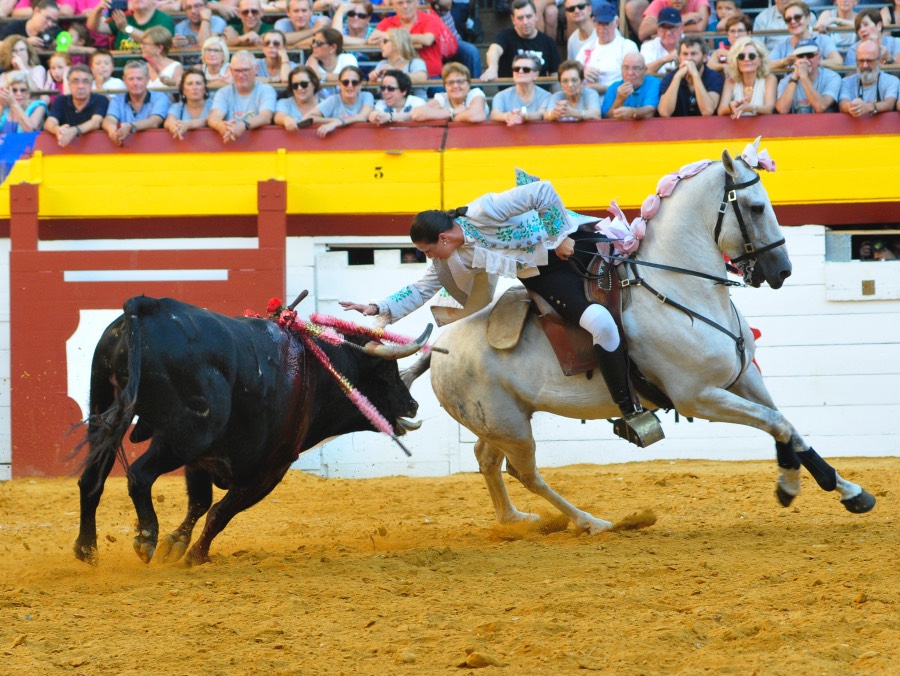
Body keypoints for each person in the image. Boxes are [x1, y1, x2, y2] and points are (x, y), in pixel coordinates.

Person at [340, 178, 664, 447]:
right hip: (547, 276)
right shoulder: (453, 256)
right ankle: (630, 409)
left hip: (575, 241)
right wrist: (379, 307)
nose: (429, 257)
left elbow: (542, 191)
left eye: (428, 250)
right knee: (601, 323)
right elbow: (422, 288)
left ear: (443, 238)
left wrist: (560, 236)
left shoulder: (485, 210)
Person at [368, 0, 453, 80]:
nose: (405, 6)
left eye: (409, 2)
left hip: (430, 78)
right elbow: (372, 40)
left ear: (417, 3)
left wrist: (393, 36)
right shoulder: (387, 22)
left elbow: (428, 39)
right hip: (395, 79)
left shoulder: (431, 19)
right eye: (400, 3)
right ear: (394, 6)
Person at [480, 0, 561, 81]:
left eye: (529, 16)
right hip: (510, 88)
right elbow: (494, 50)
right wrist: (492, 68)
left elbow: (555, 78)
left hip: (539, 89)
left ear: (536, 16)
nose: (525, 22)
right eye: (520, 18)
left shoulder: (549, 42)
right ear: (513, 20)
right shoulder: (505, 36)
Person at [208, 50, 277, 141]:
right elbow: (214, 118)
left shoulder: (266, 90)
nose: (240, 75)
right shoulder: (223, 92)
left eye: (245, 70)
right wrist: (221, 126)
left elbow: (266, 117)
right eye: (236, 70)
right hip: (229, 143)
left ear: (256, 69)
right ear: (231, 71)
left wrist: (243, 125)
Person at [576, 2, 637, 95]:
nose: (602, 28)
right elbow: (572, 73)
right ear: (594, 22)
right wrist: (582, 72)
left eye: (606, 24)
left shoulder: (627, 46)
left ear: (616, 22)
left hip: (617, 98)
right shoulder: (587, 47)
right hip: (588, 99)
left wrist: (602, 88)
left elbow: (633, 83)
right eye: (599, 24)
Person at [101, 60, 168, 145]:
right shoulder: (117, 100)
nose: (135, 83)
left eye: (139, 79)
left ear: (147, 80)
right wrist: (111, 129)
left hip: (154, 147)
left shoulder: (160, 97)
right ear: (124, 80)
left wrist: (131, 126)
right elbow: (109, 119)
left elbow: (155, 121)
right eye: (131, 79)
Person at [657, 35, 724, 117]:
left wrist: (695, 75)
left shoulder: (714, 77)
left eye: (693, 54)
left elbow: (707, 111)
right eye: (685, 54)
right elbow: (664, 112)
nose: (689, 58)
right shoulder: (670, 78)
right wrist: (677, 78)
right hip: (677, 125)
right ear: (679, 57)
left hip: (705, 125)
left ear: (705, 57)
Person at [44, 63, 108, 145]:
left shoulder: (101, 100)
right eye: (75, 81)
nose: (80, 86)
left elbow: (95, 122)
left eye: (85, 81)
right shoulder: (61, 100)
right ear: (69, 84)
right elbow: (49, 123)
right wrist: (58, 130)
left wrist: (74, 131)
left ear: (91, 84)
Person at [305, 64, 373, 137]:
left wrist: (337, 123)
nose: (350, 86)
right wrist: (333, 121)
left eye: (354, 82)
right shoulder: (333, 100)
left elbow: (363, 116)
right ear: (339, 84)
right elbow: (307, 118)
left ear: (360, 85)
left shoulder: (367, 96)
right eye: (345, 82)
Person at [770, 1, 842, 70]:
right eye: (788, 19)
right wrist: (784, 62)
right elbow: (767, 64)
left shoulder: (823, 40)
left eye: (797, 17)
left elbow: (838, 61)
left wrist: (813, 62)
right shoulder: (783, 45)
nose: (793, 21)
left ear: (808, 18)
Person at [774, 39, 840, 113]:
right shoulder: (785, 81)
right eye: (800, 56)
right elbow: (782, 110)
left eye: (810, 55)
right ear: (795, 60)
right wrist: (794, 78)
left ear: (819, 58)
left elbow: (821, 107)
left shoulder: (832, 77)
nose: (805, 60)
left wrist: (804, 77)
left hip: (825, 120)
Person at [410, 61, 488, 123]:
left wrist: (451, 118)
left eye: (460, 81)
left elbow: (476, 116)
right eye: (451, 82)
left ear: (468, 84)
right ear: (445, 86)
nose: (455, 86)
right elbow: (417, 114)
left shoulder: (475, 94)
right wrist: (453, 112)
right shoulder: (443, 98)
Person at [838, 39, 899, 117]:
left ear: (879, 61)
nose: (865, 65)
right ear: (856, 61)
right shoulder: (846, 82)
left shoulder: (892, 81)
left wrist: (869, 107)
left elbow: (889, 103)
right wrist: (853, 107)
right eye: (861, 61)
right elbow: (842, 104)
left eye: (869, 61)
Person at [716, 37, 775, 117]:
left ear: (760, 60)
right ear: (736, 61)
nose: (746, 59)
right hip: (737, 124)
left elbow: (769, 109)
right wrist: (732, 107)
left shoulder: (769, 79)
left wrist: (750, 108)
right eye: (741, 56)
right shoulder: (730, 81)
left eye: (751, 56)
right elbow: (721, 111)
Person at [87, 0, 175, 52]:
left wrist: (126, 28)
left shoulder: (164, 19)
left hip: (150, 72)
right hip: (122, 73)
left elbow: (157, 41)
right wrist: (98, 9)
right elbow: (93, 27)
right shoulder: (124, 15)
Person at [490, 53, 552, 125]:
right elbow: (494, 114)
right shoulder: (501, 96)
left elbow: (542, 114)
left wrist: (524, 117)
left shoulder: (546, 96)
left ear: (536, 75)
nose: (520, 71)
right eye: (516, 69)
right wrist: (507, 116)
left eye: (526, 69)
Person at [367, 27, 428, 100]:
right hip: (389, 105)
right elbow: (376, 92)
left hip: (415, 104)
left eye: (385, 41)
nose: (381, 45)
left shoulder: (415, 62)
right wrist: (373, 81)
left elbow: (422, 79)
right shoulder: (382, 64)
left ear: (396, 44)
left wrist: (396, 72)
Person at [431, 0, 482, 79]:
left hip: (451, 40)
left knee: (472, 52)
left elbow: (448, 4)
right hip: (429, 46)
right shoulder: (411, 4)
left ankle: (475, 86)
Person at [602, 52, 660, 119]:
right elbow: (606, 119)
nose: (630, 73)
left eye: (635, 68)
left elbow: (650, 112)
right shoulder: (613, 87)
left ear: (645, 70)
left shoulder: (653, 83)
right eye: (626, 68)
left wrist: (633, 112)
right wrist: (619, 100)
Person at [307, 27, 358, 94]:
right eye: (313, 42)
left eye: (319, 43)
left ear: (333, 47)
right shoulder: (311, 63)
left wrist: (320, 76)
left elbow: (350, 78)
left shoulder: (348, 59)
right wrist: (313, 71)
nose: (313, 45)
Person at [164, 71, 212, 139]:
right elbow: (169, 121)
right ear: (183, 90)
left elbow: (211, 120)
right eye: (190, 84)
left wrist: (187, 125)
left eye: (198, 83)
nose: (194, 87)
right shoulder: (177, 107)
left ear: (204, 88)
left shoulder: (213, 105)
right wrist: (174, 127)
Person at [274, 64, 319, 129]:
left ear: (314, 84)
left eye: (304, 84)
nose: (299, 88)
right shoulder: (284, 103)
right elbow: (278, 115)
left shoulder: (326, 104)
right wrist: (286, 119)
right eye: (295, 85)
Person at [639, 0, 710, 42]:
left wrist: (664, 26)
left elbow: (699, 27)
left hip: (693, 45)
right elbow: (642, 34)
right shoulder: (660, 2)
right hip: (664, 46)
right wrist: (682, 19)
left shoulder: (699, 1)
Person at [640, 7, 683, 76]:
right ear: (658, 29)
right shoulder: (648, 46)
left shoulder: (691, 44)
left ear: (681, 28)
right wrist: (665, 59)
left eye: (672, 27)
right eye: (664, 27)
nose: (668, 33)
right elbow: (641, 72)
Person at [141, 26, 183, 91]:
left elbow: (181, 90)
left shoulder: (175, 66)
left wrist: (172, 83)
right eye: (142, 43)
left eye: (145, 44)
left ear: (160, 48)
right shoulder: (143, 67)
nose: (142, 47)